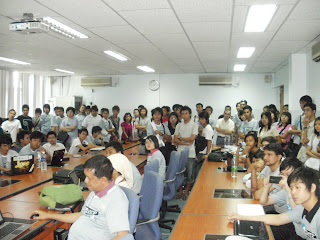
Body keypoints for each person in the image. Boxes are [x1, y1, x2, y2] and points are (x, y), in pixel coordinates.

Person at [32, 155, 130, 240]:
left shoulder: (116, 200)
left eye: (89, 178)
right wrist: (49, 215)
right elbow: (83, 215)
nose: (86, 181)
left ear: (103, 180)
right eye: (85, 177)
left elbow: (123, 236)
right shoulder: (95, 190)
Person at [228, 167, 320, 240]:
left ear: (312, 188)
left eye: (297, 187)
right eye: (291, 188)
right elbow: (277, 218)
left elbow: (278, 218)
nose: (293, 192)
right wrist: (241, 217)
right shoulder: (303, 209)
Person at [174, 105, 198, 200]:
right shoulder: (179, 125)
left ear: (190, 114)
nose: (184, 115)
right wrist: (185, 141)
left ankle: (187, 191)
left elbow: (192, 138)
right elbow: (175, 139)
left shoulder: (194, 125)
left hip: (191, 153)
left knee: (190, 173)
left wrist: (181, 138)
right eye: (182, 113)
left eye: (186, 113)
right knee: (178, 173)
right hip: (179, 152)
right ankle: (180, 191)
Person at [195, 111, 214, 176]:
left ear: (206, 119)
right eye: (200, 119)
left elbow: (209, 141)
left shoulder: (208, 128)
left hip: (204, 153)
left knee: (199, 171)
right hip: (201, 151)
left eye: (202, 119)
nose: (200, 120)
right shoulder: (204, 128)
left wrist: (207, 154)